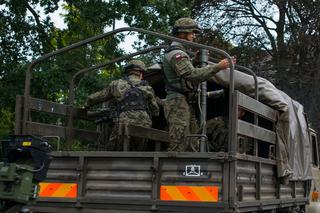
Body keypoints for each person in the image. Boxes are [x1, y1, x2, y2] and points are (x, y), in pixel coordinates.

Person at [162, 17, 235, 152]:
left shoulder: (180, 53)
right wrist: (218, 67)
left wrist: (194, 61)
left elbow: (187, 73)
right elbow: (193, 76)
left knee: (191, 142)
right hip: (178, 103)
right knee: (179, 143)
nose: (194, 37)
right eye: (192, 33)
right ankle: (171, 170)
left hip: (183, 102)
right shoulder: (177, 54)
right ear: (183, 33)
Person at [84, 60, 159, 151]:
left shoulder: (116, 84)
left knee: (113, 148)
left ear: (128, 72)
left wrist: (87, 103)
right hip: (143, 124)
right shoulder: (148, 88)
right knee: (139, 150)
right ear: (140, 72)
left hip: (123, 123)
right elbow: (155, 111)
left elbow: (100, 96)